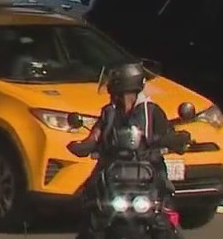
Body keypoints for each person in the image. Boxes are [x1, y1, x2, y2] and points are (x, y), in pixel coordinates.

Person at [67, 62, 187, 239]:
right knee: (91, 202)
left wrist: (177, 140)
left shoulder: (152, 111)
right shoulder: (109, 112)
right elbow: (95, 135)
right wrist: (84, 145)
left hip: (148, 169)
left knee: (163, 213)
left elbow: (167, 133)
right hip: (113, 169)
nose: (111, 92)